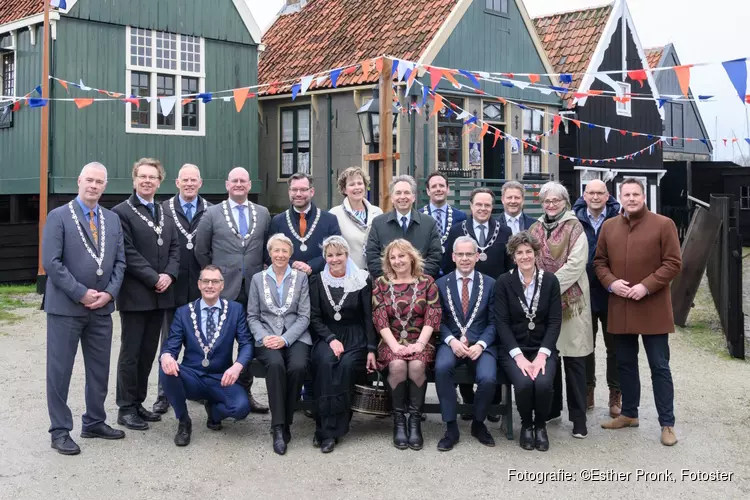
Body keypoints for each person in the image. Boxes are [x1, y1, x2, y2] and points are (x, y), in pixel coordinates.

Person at [42, 162, 127, 455]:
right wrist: (81, 293)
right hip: (66, 308)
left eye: (99, 182)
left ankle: (94, 421)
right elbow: (52, 263)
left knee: (99, 370)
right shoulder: (59, 217)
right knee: (59, 370)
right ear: (79, 181)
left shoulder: (112, 220)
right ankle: (60, 430)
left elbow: (120, 263)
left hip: (102, 308)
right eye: (89, 180)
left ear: (105, 185)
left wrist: (109, 294)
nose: (93, 185)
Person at [594, 178, 682, 446]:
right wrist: (611, 283)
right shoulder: (609, 227)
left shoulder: (663, 224)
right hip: (621, 306)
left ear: (644, 196)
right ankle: (629, 413)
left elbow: (673, 263)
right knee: (625, 365)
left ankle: (667, 423)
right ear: (620, 197)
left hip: (652, 306)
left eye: (635, 194)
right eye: (626, 194)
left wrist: (646, 286)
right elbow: (599, 262)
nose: (631, 198)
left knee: (659, 366)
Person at [194, 167, 270, 414]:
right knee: (218, 344)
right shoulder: (212, 214)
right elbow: (201, 251)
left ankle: (244, 391)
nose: (238, 184)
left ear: (249, 186)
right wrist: (214, 280)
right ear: (227, 185)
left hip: (253, 290)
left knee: (247, 343)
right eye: (234, 181)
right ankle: (213, 397)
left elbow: (265, 250)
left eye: (243, 181)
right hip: (223, 290)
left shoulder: (263, 213)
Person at [112, 158, 180, 431]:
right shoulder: (121, 212)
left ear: (159, 181)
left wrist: (170, 275)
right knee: (131, 353)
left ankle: (139, 402)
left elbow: (175, 248)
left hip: (161, 295)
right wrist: (154, 278)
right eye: (142, 176)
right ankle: (125, 408)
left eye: (152, 177)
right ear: (134, 179)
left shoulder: (164, 211)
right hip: (136, 295)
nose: (147, 181)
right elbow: (127, 252)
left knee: (148, 352)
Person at [159, 265, 253, 447]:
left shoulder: (235, 310)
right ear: (199, 284)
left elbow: (246, 343)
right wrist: (167, 356)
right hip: (192, 376)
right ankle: (184, 421)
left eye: (215, 281)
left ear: (222, 286)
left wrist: (237, 366)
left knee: (241, 408)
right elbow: (171, 345)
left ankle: (214, 413)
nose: (210, 285)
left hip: (221, 377)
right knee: (166, 368)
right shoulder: (184, 312)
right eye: (206, 281)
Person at [528, 181, 593, 439]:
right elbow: (529, 259)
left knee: (575, 362)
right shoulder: (535, 228)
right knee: (549, 358)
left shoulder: (576, 227)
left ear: (565, 201)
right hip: (544, 305)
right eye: (547, 200)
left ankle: (578, 420)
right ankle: (551, 410)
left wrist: (548, 287)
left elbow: (576, 264)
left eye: (556, 200)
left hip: (572, 304)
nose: (551, 204)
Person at [443, 187, 512, 421]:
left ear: (493, 207)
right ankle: (467, 398)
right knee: (461, 347)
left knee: (487, 348)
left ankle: (491, 403)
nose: (483, 209)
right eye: (478, 204)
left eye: (487, 205)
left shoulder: (504, 231)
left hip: (492, 294)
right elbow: (446, 262)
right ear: (470, 206)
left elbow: (508, 265)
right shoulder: (456, 230)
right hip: (461, 297)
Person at [309, 236, 378, 453]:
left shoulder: (362, 280)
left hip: (356, 336)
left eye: (339, 254)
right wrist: (330, 339)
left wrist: (371, 349)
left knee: (346, 366)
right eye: (330, 255)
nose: (335, 259)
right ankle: (322, 427)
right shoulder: (318, 281)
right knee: (325, 362)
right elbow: (314, 317)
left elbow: (369, 317)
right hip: (327, 335)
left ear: (347, 255)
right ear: (325, 258)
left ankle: (335, 430)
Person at [494, 232, 562, 452]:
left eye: (528, 252)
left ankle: (540, 426)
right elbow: (502, 323)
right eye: (519, 253)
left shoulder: (550, 281)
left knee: (542, 384)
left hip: (543, 348)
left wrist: (542, 355)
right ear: (514, 257)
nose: (524, 256)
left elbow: (554, 322)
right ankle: (526, 425)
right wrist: (520, 357)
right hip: (514, 349)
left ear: (536, 254)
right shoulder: (504, 282)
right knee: (523, 384)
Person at [372, 239, 441, 451]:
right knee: (398, 365)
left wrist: (420, 344)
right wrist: (395, 347)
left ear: (411, 256)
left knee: (417, 366)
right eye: (392, 257)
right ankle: (399, 421)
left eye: (401, 256)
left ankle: (415, 421)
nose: (397, 261)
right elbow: (379, 318)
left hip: (421, 340)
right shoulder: (381, 284)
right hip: (390, 341)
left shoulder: (427, 282)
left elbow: (433, 315)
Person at [153, 163, 211, 415]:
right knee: (169, 341)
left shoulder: (211, 210)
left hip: (202, 286)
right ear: (177, 183)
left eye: (193, 180)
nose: (189, 184)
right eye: (184, 180)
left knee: (203, 339)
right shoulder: (163, 209)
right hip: (173, 285)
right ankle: (164, 393)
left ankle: (199, 387)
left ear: (200, 183)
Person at [248, 234, 311, 455]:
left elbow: (304, 316)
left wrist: (285, 339)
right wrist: (265, 337)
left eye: (285, 251)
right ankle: (278, 427)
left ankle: (286, 420)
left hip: (296, 335)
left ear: (291, 254)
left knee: (298, 366)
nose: (280, 255)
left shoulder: (301, 278)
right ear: (270, 253)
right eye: (276, 250)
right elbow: (252, 316)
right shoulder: (258, 279)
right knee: (275, 366)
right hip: (266, 336)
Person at [434, 236, 497, 451]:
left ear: (477, 256)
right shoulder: (441, 284)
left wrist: (481, 344)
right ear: (452, 257)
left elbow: (494, 322)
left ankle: (478, 424)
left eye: (469, 254)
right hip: (450, 342)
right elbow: (437, 321)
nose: (464, 258)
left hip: (481, 343)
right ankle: (451, 427)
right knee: (442, 368)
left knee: (488, 378)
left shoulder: (490, 284)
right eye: (460, 254)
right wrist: (451, 341)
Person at [572, 179, 622, 417]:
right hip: (583, 291)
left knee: (615, 347)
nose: (594, 197)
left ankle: (615, 393)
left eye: (599, 193)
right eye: (590, 192)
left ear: (607, 195)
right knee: (586, 346)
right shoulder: (574, 218)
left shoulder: (618, 217)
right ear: (584, 194)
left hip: (611, 291)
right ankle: (588, 389)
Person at [366, 175, 442, 279]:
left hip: (420, 287)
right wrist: (394, 279)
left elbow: (435, 258)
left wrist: (414, 278)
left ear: (413, 197)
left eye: (406, 192)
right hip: (388, 287)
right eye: (398, 193)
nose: (402, 197)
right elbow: (372, 258)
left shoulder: (429, 223)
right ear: (392, 198)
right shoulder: (378, 224)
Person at [268, 172, 342, 276]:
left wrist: (312, 266)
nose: (298, 194)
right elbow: (268, 254)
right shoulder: (277, 221)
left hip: (320, 282)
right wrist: (292, 264)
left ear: (312, 192)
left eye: (303, 190)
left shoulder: (330, 220)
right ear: (289, 192)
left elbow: (338, 251)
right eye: (294, 189)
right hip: (287, 282)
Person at [329, 167, 383, 271]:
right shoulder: (335, 214)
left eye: (360, 183)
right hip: (349, 275)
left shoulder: (377, 212)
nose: (357, 187)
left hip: (375, 274)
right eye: (352, 184)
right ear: (344, 189)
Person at [420, 171, 467, 261]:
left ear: (448, 189)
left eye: (441, 186)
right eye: (434, 186)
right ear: (428, 191)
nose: (438, 189)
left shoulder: (461, 217)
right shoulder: (418, 217)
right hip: (426, 271)